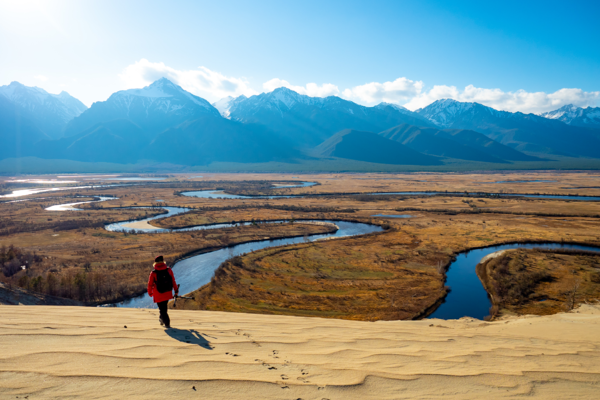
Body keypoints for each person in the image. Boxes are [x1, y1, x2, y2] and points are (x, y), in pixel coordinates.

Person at [147, 255, 178, 328]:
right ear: (163, 262)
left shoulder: (153, 273)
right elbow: (173, 281)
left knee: (162, 310)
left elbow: (150, 284)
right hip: (167, 292)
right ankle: (161, 319)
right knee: (164, 308)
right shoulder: (168, 270)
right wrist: (176, 291)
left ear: (155, 263)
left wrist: (150, 293)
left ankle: (167, 324)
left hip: (158, 294)